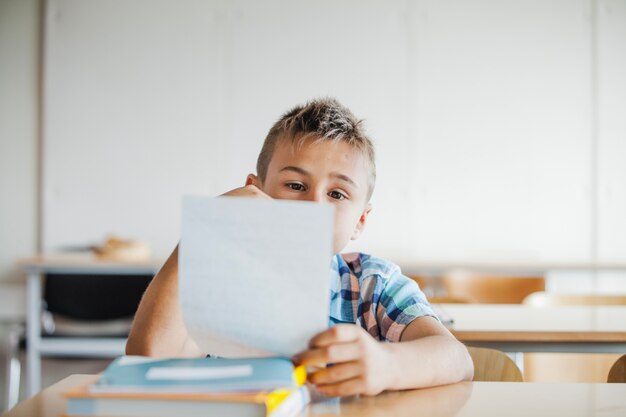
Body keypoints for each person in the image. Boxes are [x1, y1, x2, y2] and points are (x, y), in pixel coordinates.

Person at [126, 98, 474, 396]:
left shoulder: (373, 284)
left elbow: (455, 358)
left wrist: (387, 365)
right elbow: (148, 360)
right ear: (254, 191)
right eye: (295, 185)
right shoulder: (221, 280)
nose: (313, 205)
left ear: (360, 222)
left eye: (336, 194)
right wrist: (205, 233)